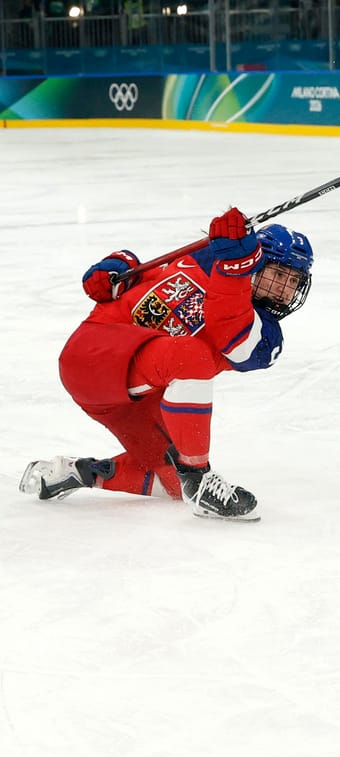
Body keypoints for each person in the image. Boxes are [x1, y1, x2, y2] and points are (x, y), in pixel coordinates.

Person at [19, 209, 315, 522]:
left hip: (128, 399)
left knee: (172, 481)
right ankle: (199, 480)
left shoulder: (265, 336)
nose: (284, 288)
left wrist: (234, 270)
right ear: (257, 264)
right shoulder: (200, 261)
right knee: (192, 356)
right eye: (278, 275)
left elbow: (232, 330)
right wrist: (119, 265)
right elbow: (134, 275)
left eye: (294, 280)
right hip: (93, 353)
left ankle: (79, 473)